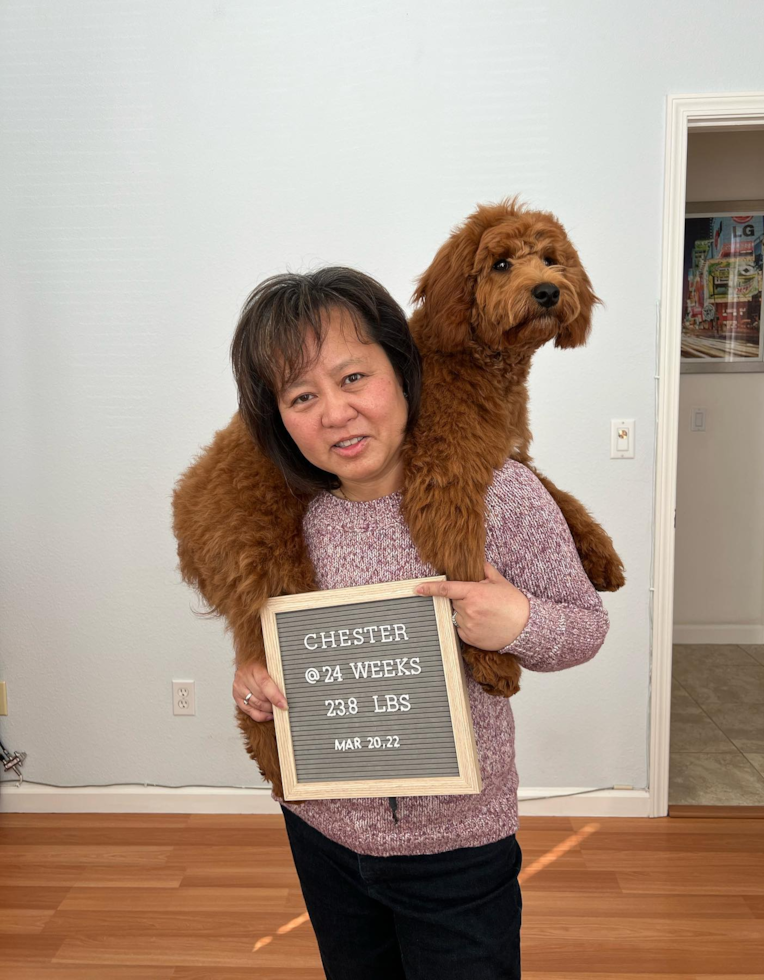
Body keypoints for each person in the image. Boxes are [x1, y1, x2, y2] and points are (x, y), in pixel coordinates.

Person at [229, 266, 610, 980]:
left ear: (402, 372)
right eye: (301, 395)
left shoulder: (499, 491)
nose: (334, 413)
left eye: (352, 378)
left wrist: (519, 621)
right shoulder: (285, 518)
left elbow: (587, 625)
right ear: (277, 417)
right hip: (323, 837)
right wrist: (255, 677)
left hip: (458, 852)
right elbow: (272, 645)